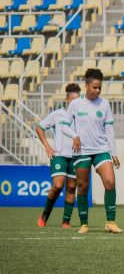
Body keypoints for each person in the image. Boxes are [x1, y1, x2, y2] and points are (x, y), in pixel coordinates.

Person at [61, 68, 122, 234]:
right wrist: (74, 135)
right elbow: (64, 126)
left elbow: (109, 129)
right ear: (87, 85)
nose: (98, 90)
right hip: (82, 152)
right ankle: (84, 224)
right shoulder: (75, 104)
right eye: (95, 87)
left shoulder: (104, 103)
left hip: (101, 149)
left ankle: (110, 222)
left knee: (110, 181)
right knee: (82, 187)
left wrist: (113, 152)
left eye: (100, 87)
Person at [36, 83, 81, 228]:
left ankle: (66, 221)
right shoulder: (57, 114)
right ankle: (44, 216)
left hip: (76, 157)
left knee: (71, 188)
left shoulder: (81, 117)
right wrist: (47, 146)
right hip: (60, 156)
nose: (76, 104)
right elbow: (39, 127)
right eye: (73, 100)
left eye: (78, 100)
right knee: (57, 185)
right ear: (67, 100)